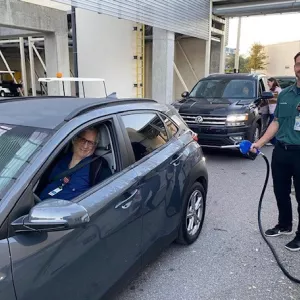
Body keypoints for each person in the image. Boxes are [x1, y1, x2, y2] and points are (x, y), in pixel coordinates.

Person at [251, 52, 300, 251]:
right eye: (298, 64)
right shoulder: (286, 94)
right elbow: (277, 122)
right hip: (281, 151)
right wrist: (259, 143)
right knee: (280, 191)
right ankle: (284, 224)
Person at [39, 127, 112, 201]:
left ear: (95, 146)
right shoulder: (60, 158)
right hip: (38, 204)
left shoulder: (98, 167)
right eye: (83, 140)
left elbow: (104, 198)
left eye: (90, 143)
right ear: (74, 140)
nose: (85, 146)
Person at [266, 77, 282, 145]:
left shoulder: (277, 90)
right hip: (271, 111)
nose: (267, 84)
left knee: (272, 127)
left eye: (269, 82)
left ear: (273, 82)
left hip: (275, 111)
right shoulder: (271, 90)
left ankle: (274, 142)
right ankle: (273, 141)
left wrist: (268, 98)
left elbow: (276, 100)